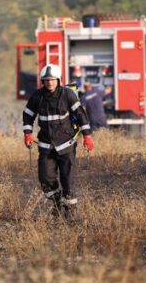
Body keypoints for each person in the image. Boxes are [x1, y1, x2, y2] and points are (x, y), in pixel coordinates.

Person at [22, 64, 94, 217]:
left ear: (58, 80)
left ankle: (70, 212)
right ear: (43, 81)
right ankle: (57, 202)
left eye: (53, 79)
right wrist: (27, 133)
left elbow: (81, 115)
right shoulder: (37, 96)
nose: (50, 82)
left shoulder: (68, 95)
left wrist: (87, 136)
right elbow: (28, 114)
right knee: (45, 179)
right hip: (46, 146)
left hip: (66, 144)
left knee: (67, 179)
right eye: (47, 80)